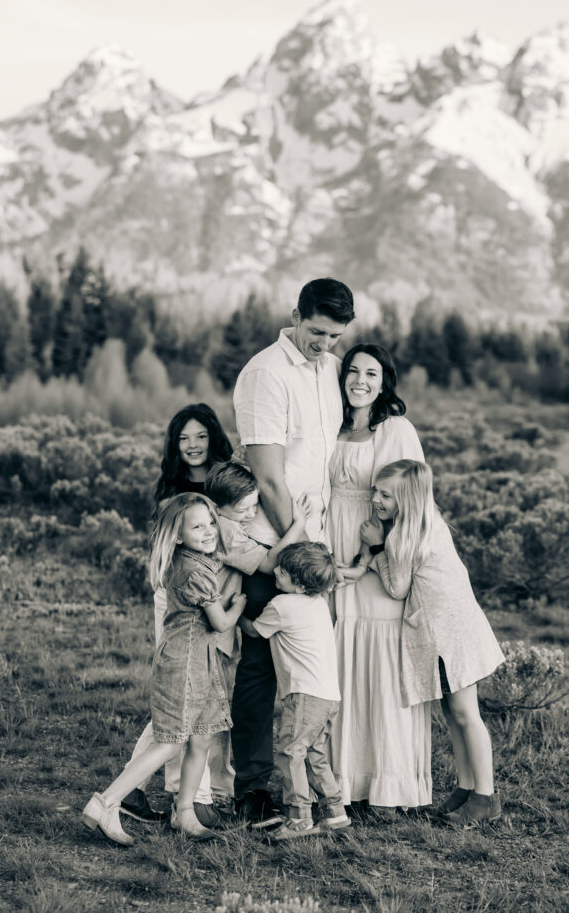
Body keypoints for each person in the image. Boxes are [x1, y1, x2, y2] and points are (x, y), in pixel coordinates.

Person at [231, 278, 355, 820]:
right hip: (275, 548)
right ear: (295, 316)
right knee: (260, 666)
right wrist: (297, 558)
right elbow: (271, 479)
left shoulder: (329, 369)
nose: (324, 344)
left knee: (306, 670)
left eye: (334, 335)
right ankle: (254, 790)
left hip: (314, 548)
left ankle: (313, 785)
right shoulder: (265, 374)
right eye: (315, 332)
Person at [82, 494, 247, 844]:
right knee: (170, 744)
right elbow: (219, 624)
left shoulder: (190, 560)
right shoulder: (193, 571)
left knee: (201, 737)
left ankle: (184, 813)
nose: (208, 531)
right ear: (177, 535)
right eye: (197, 526)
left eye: (210, 523)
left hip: (197, 661)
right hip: (184, 665)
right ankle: (106, 803)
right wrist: (238, 606)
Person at [357, 459, 505, 825]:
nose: (375, 498)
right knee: (453, 713)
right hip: (451, 630)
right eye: (376, 490)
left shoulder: (407, 536)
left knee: (467, 714)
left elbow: (396, 588)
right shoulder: (424, 523)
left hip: (449, 636)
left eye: (385, 495)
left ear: (407, 499)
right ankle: (465, 787)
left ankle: (485, 796)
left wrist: (376, 550)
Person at [326, 343, 431, 813]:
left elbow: (409, 503)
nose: (360, 380)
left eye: (371, 373)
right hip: (331, 548)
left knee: (382, 662)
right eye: (352, 370)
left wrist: (374, 550)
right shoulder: (329, 421)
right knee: (339, 663)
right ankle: (342, 782)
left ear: (385, 381)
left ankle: (389, 783)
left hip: (379, 551)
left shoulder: (397, 429)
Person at [122, 403, 235, 829]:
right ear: (174, 444)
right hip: (182, 599)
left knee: (201, 703)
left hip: (214, 594)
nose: (192, 445)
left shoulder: (225, 483)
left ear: (213, 439)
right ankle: (187, 798)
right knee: (181, 698)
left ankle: (182, 793)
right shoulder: (172, 490)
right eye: (183, 438)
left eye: (200, 436)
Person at [239, 542, 350, 840]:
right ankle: (335, 812)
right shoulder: (317, 603)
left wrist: (235, 610)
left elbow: (253, 630)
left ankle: (299, 817)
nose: (275, 569)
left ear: (299, 584)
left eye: (283, 571)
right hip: (329, 695)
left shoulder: (282, 605)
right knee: (314, 754)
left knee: (290, 753)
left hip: (304, 695)